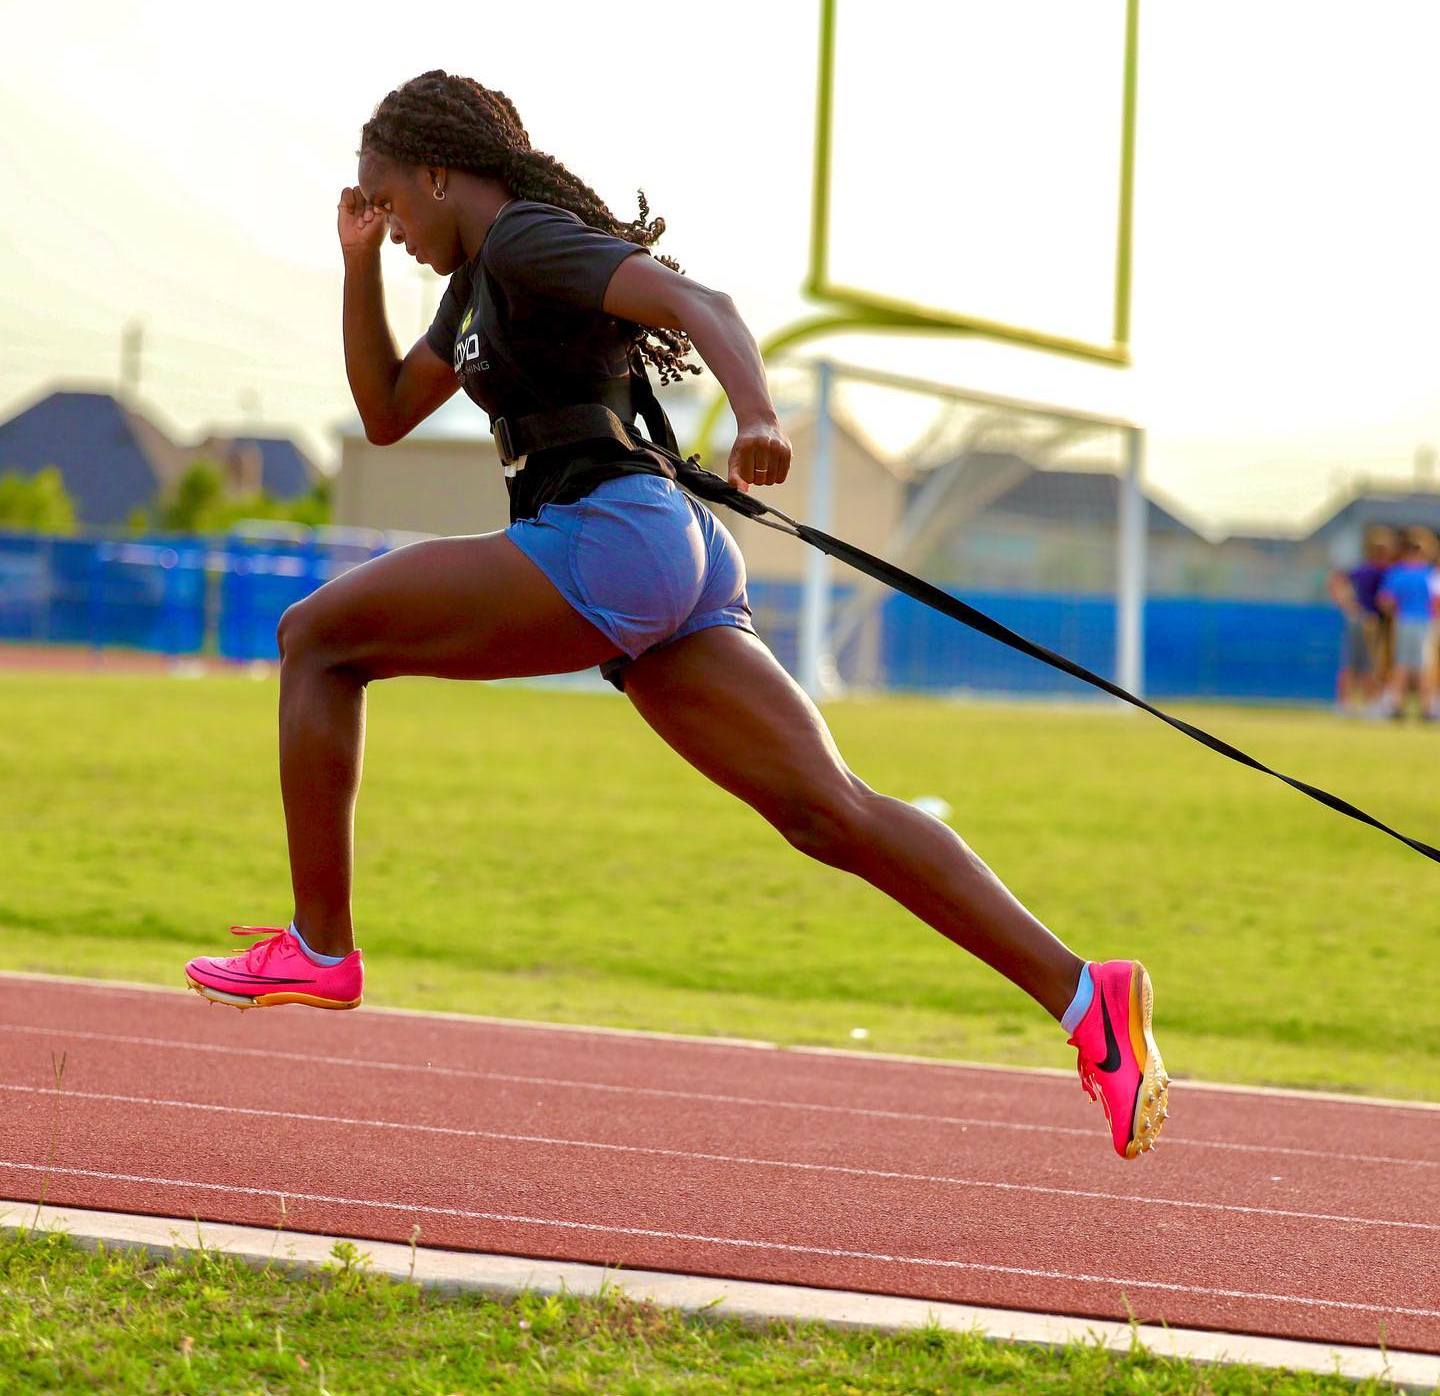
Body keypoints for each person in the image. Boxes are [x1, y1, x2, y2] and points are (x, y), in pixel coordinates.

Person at [183, 71, 1168, 1160]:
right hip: (667, 553)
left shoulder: (523, 242)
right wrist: (358, 263)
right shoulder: (473, 294)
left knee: (316, 641)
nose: (390, 225)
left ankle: (322, 946)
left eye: (390, 204)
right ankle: (1087, 999)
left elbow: (709, 308)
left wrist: (757, 413)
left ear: (436, 170)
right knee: (828, 812)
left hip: (614, 535)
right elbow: (382, 414)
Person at [1326, 526, 1396, 714]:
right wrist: (1349, 605)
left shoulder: (1362, 569)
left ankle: (1344, 704)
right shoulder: (1380, 571)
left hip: (1357, 618)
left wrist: (1348, 606)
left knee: (1351, 663)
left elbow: (1336, 580)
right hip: (1370, 620)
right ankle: (1369, 704)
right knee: (1369, 664)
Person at [1373, 526, 1439, 720]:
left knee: (1401, 664)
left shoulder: (1397, 572)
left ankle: (1395, 706)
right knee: (1424, 666)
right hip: (1425, 623)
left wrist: (1397, 613)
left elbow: (1385, 601)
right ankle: (1428, 708)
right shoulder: (1430, 574)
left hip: (1403, 622)